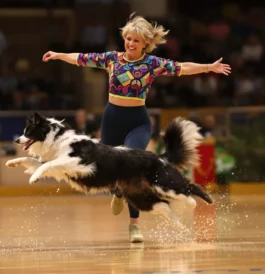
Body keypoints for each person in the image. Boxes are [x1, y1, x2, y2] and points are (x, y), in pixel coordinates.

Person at [42, 14, 231, 243]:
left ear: (145, 44)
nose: (130, 43)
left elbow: (182, 68)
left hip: (138, 122)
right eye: (128, 39)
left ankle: (134, 225)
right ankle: (118, 193)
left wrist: (209, 67)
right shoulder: (112, 59)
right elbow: (82, 58)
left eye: (136, 41)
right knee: (111, 170)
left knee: (133, 168)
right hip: (112, 120)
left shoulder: (152, 64)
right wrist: (60, 55)